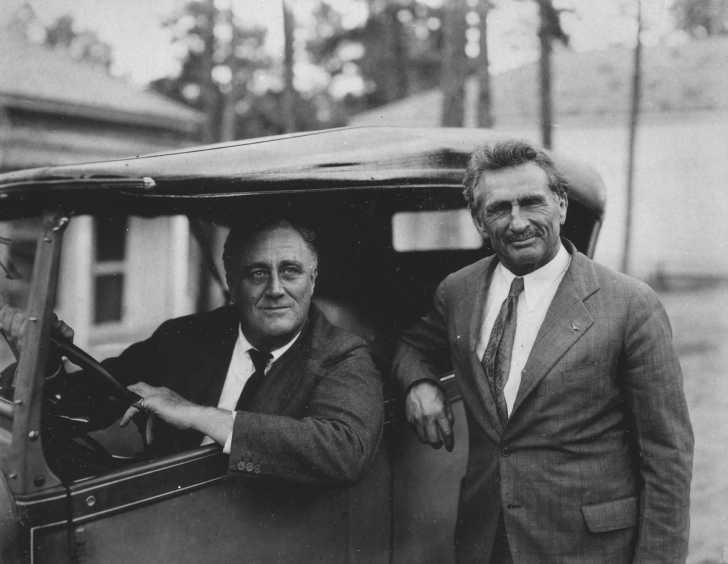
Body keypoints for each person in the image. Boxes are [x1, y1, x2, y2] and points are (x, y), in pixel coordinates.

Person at [393, 140, 693, 563]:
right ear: (479, 221)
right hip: (486, 540)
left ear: (561, 206)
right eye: (498, 209)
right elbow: (411, 345)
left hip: (588, 549)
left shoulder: (630, 306)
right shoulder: (458, 292)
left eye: (531, 203)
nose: (517, 223)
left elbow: (668, 459)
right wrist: (419, 384)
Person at [1, 217, 384, 485]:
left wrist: (196, 414)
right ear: (232, 282)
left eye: (290, 271)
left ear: (313, 279)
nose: (275, 289)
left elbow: (344, 449)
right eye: (257, 273)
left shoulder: (342, 355)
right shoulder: (186, 337)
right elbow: (91, 401)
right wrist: (44, 364)